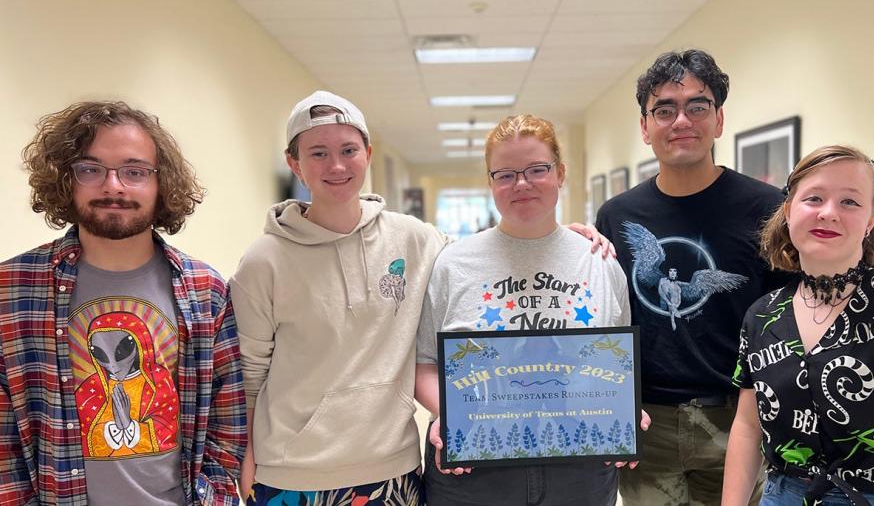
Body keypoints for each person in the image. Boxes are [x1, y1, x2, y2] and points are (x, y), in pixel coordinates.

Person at [230, 94, 609, 506]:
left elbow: (488, 255)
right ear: (294, 163)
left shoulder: (413, 239)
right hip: (291, 472)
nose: (336, 166)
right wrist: (245, 455)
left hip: (392, 468)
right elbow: (248, 374)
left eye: (348, 150)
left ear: (368, 154)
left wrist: (558, 237)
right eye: (318, 153)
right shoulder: (262, 261)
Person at [0, 101, 246, 505]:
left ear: (160, 182)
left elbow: (228, 423)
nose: (113, 186)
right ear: (66, 179)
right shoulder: (12, 289)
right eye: (91, 169)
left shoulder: (206, 290)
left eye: (134, 171)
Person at [414, 114, 649, 506]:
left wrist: (623, 407)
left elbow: (616, 363)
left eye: (537, 170)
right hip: (476, 468)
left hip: (578, 468)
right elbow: (424, 365)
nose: (521, 184)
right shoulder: (454, 263)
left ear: (560, 173)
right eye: (505, 174)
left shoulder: (599, 261)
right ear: (490, 183)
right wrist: (451, 414)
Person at [595, 49, 788, 505]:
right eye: (664, 109)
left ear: (719, 120)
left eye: (697, 106)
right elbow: (604, 316)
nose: (681, 120)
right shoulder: (617, 216)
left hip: (738, 417)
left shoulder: (767, 209)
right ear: (645, 128)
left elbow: (786, 318)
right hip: (647, 422)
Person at [723, 145, 874, 506]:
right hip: (782, 496)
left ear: (871, 219)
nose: (829, 213)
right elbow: (746, 428)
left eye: (849, 202)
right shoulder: (763, 314)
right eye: (813, 198)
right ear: (788, 211)